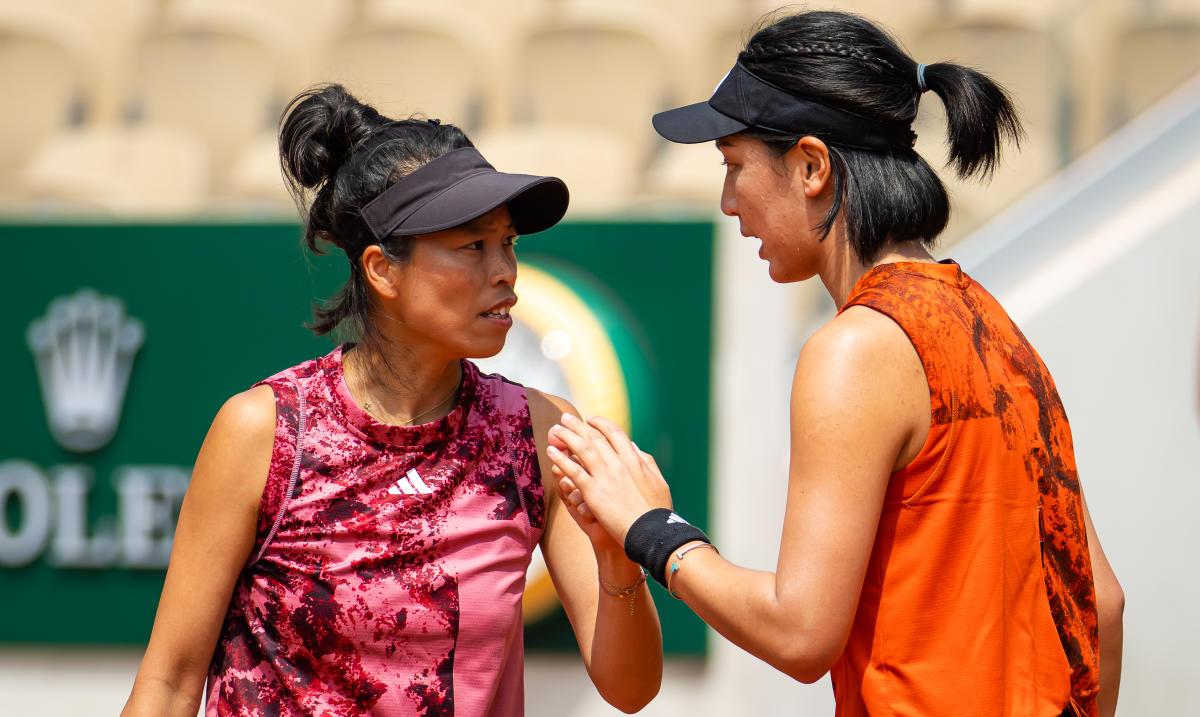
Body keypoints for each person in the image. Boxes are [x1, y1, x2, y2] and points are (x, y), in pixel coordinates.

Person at [546, 10, 1123, 717]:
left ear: (812, 166)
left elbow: (800, 630)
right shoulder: (995, 324)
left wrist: (650, 528)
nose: (728, 202)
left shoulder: (855, 347)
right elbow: (1103, 600)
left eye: (734, 166)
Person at [121, 84, 662, 717]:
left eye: (508, 242)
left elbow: (631, 690)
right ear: (382, 271)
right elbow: (169, 684)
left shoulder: (542, 434)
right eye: (472, 246)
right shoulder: (262, 430)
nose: (504, 270)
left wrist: (618, 561)